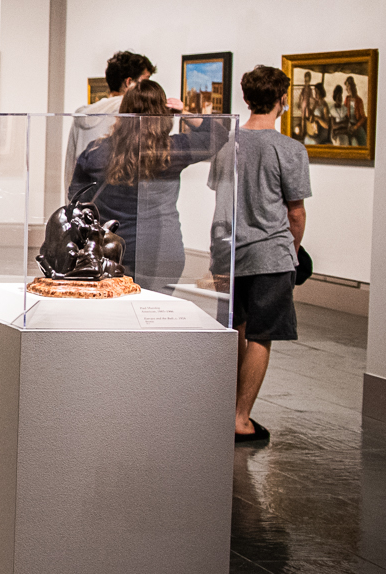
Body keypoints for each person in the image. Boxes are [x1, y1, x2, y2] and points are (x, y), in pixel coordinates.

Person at [68, 80, 225, 292]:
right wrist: (183, 112)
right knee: (153, 317)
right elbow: (218, 135)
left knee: (116, 316)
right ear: (163, 113)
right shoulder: (171, 150)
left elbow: (76, 196)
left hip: (112, 249)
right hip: (161, 249)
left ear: (124, 112)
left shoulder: (98, 151)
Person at [231, 65, 311, 444]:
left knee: (237, 331)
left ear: (246, 98)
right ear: (283, 100)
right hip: (271, 255)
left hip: (231, 252)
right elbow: (295, 212)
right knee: (262, 336)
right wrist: (291, 254)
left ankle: (225, 409)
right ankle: (241, 418)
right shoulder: (289, 149)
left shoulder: (228, 142)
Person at [65, 50, 154, 174]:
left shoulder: (82, 113)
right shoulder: (132, 110)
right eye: (146, 80)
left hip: (86, 191)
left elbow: (71, 165)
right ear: (129, 82)